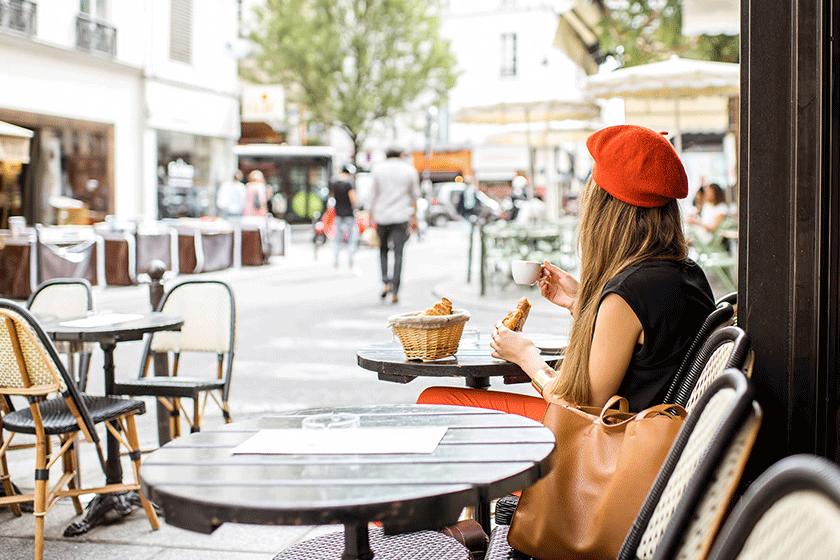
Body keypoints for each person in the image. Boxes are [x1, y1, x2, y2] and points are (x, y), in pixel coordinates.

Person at [418, 124, 716, 418]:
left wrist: (525, 355)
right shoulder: (688, 274)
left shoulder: (629, 293)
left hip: (614, 438)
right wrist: (582, 304)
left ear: (605, 211)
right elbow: (648, 355)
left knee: (436, 400)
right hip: (655, 431)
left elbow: (580, 408)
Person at [369, 146, 420, 304]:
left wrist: (370, 216)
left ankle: (386, 282)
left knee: (383, 250)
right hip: (401, 216)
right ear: (401, 155)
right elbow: (415, 196)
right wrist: (414, 218)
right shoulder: (409, 170)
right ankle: (395, 290)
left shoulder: (377, 169)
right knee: (399, 253)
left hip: (382, 216)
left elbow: (372, 195)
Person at [330, 164, 359, 269]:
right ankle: (351, 260)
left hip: (338, 214)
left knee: (337, 238)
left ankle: (336, 260)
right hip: (349, 215)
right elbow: (353, 199)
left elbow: (332, 197)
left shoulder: (334, 182)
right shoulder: (349, 183)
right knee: (351, 238)